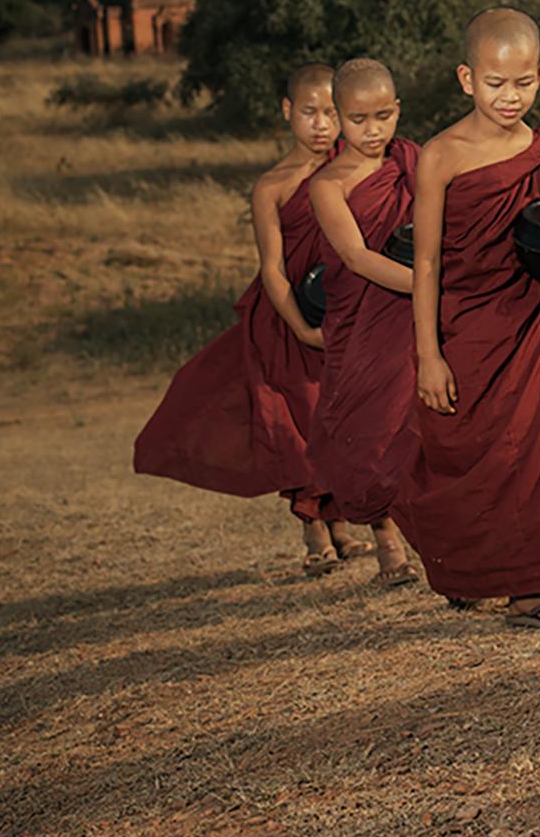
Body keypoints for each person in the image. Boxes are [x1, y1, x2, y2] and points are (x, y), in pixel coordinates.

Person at [406, 9, 540, 624]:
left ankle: (532, 590)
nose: (511, 96)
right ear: (466, 78)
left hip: (534, 324)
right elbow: (426, 263)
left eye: (523, 82)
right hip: (467, 327)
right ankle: (472, 567)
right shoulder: (441, 156)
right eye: (496, 83)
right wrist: (428, 354)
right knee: (471, 457)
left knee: (539, 457)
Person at [133, 63, 373, 574]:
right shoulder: (273, 185)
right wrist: (301, 327)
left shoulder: (357, 170)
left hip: (346, 313)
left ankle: (344, 522)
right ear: (288, 112)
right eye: (309, 112)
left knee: (341, 418)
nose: (321, 125)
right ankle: (313, 525)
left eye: (332, 112)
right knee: (297, 422)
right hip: (285, 320)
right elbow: (270, 267)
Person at [306, 57, 423, 586]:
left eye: (382, 116)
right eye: (358, 120)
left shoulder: (414, 161)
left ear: (397, 110)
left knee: (424, 427)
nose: (373, 131)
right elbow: (355, 256)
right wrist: (430, 288)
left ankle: (443, 543)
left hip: (421, 315)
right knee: (367, 431)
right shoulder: (326, 184)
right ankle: (387, 544)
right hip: (368, 317)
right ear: (338, 117)